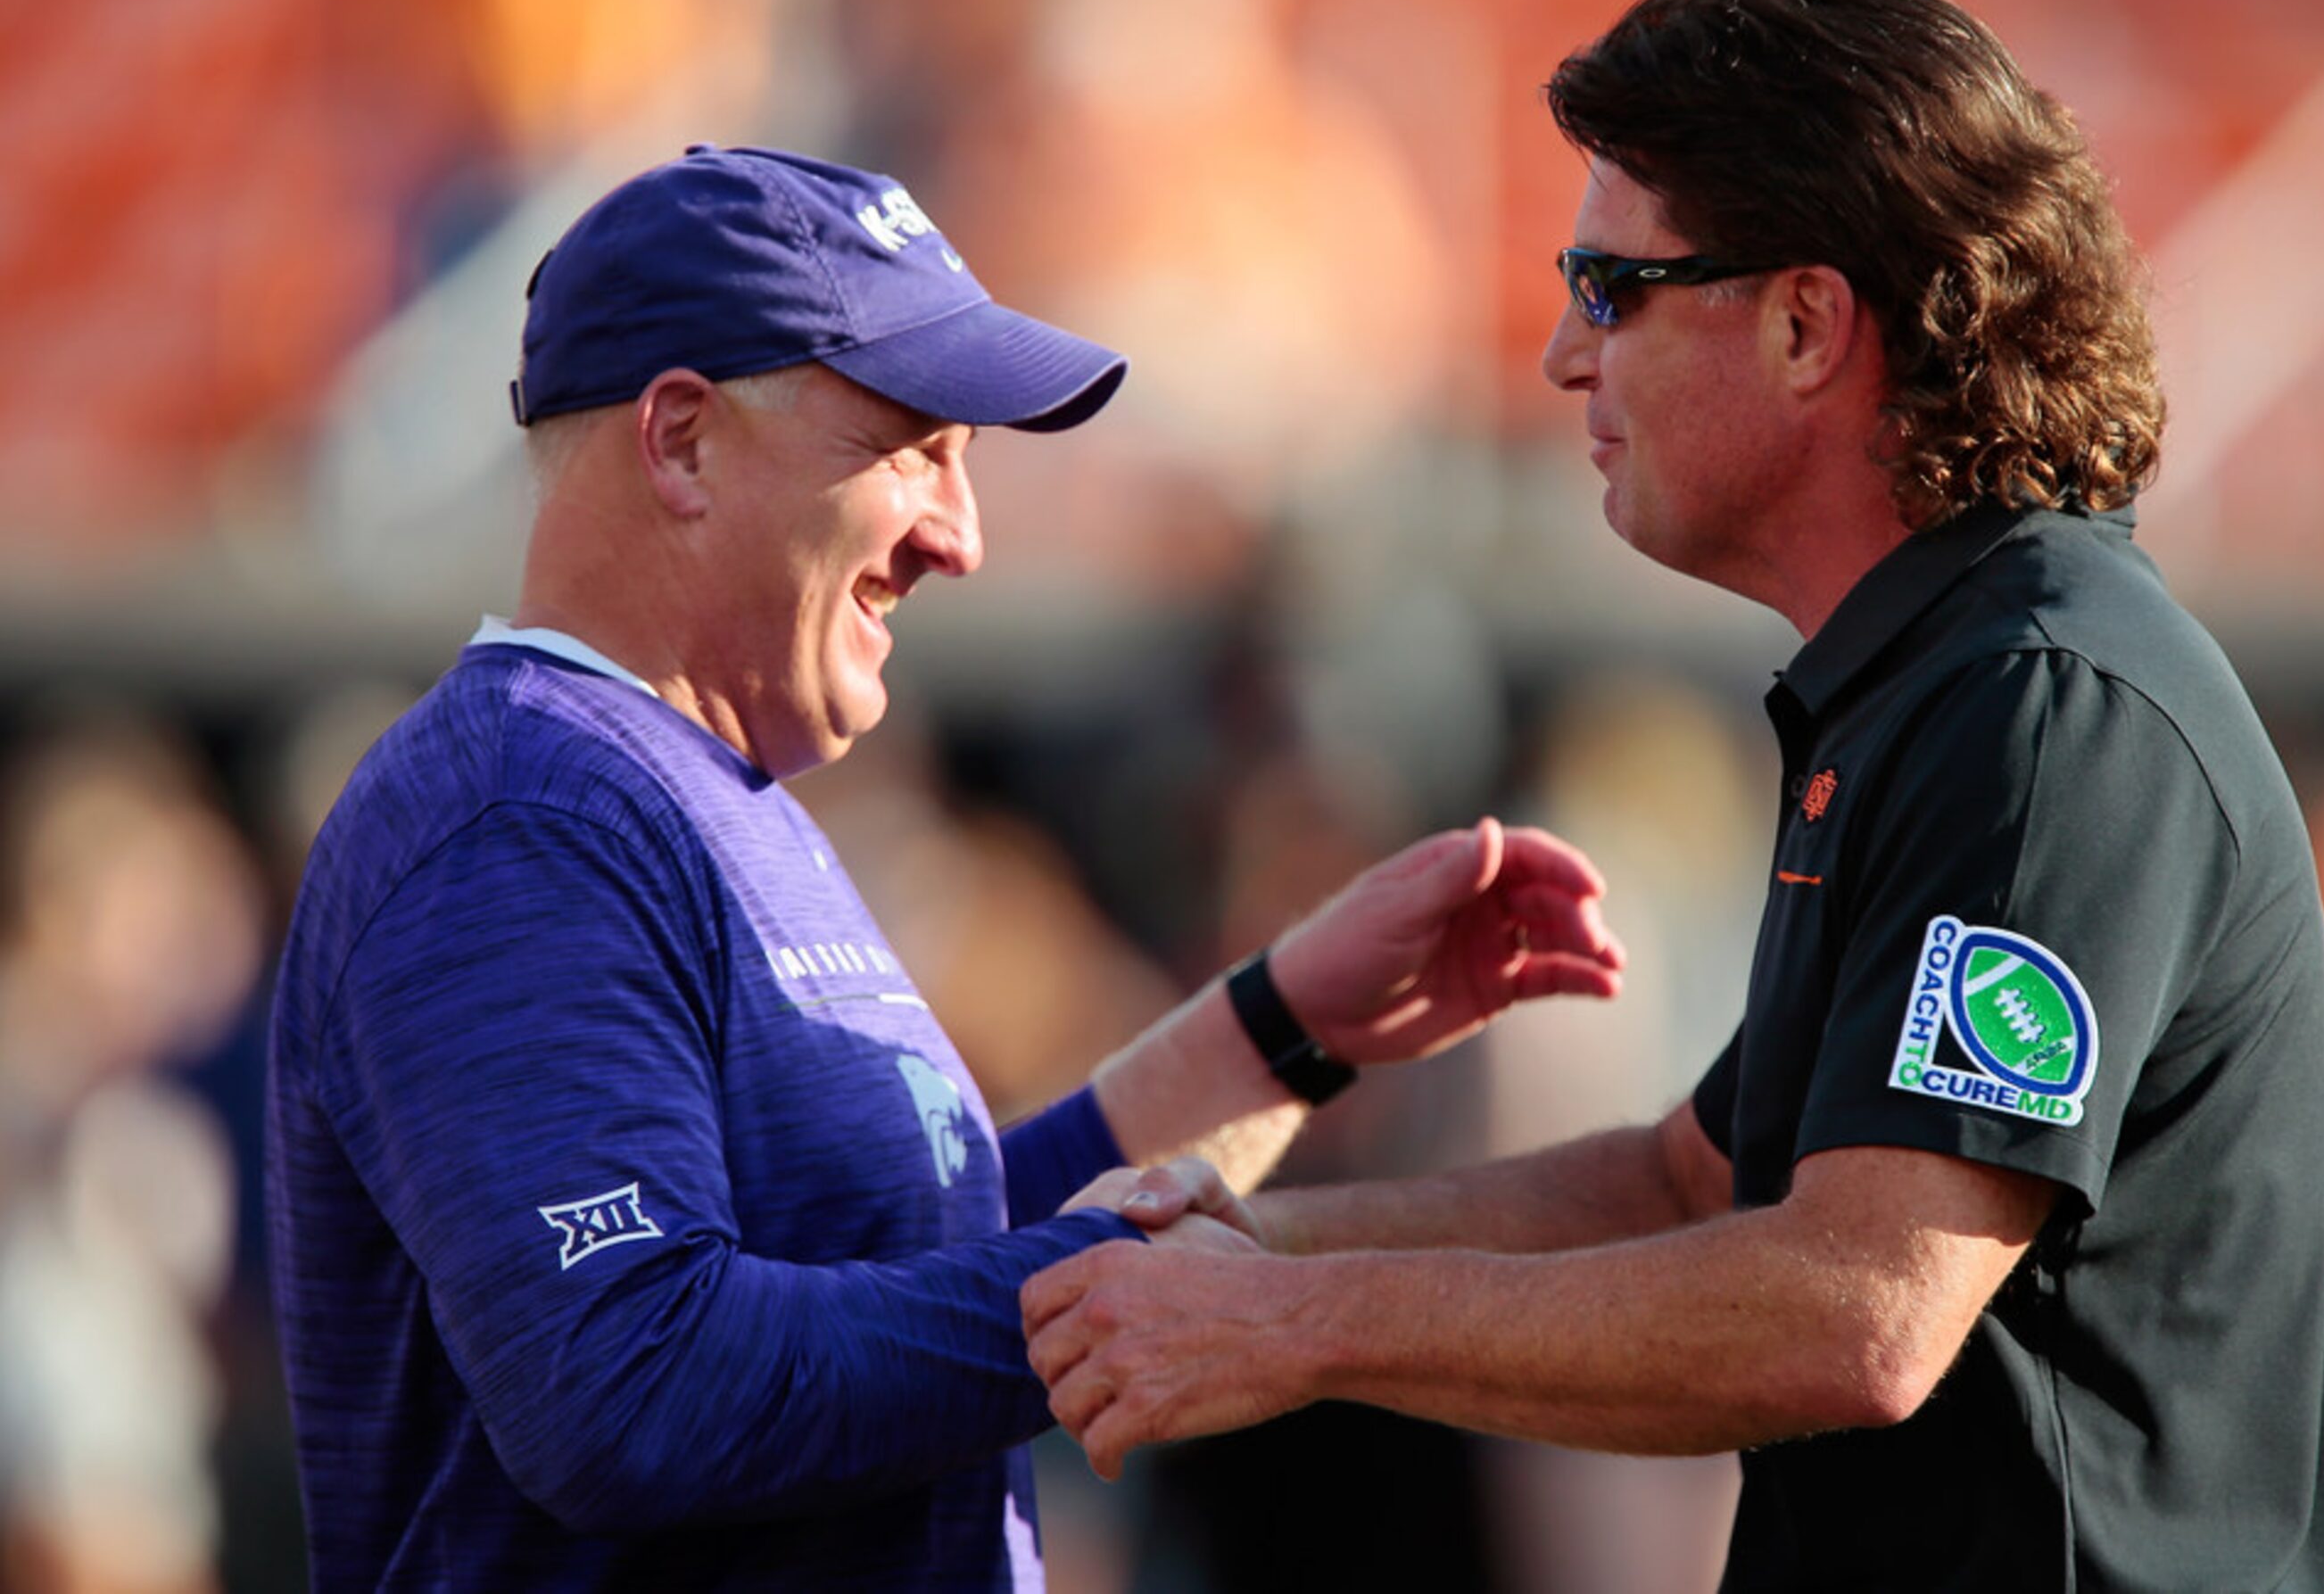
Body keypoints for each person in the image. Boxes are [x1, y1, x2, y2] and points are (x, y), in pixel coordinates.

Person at [1022, 0, 2324, 1591]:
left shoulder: (2037, 705)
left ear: (1807, 323)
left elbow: (1858, 1310)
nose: (1558, 359)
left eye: (1608, 286)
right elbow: (1688, 1178)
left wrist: (1292, 1323)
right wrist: (1259, 1234)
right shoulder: (1940, 679)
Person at [263, 145, 1627, 1591]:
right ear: (678, 440)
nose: (961, 538)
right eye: (913, 443)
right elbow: (627, 1385)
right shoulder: (518, 813)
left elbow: (935, 1241)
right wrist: (1113, 1295)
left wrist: (1286, 1026)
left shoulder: (700, 790)